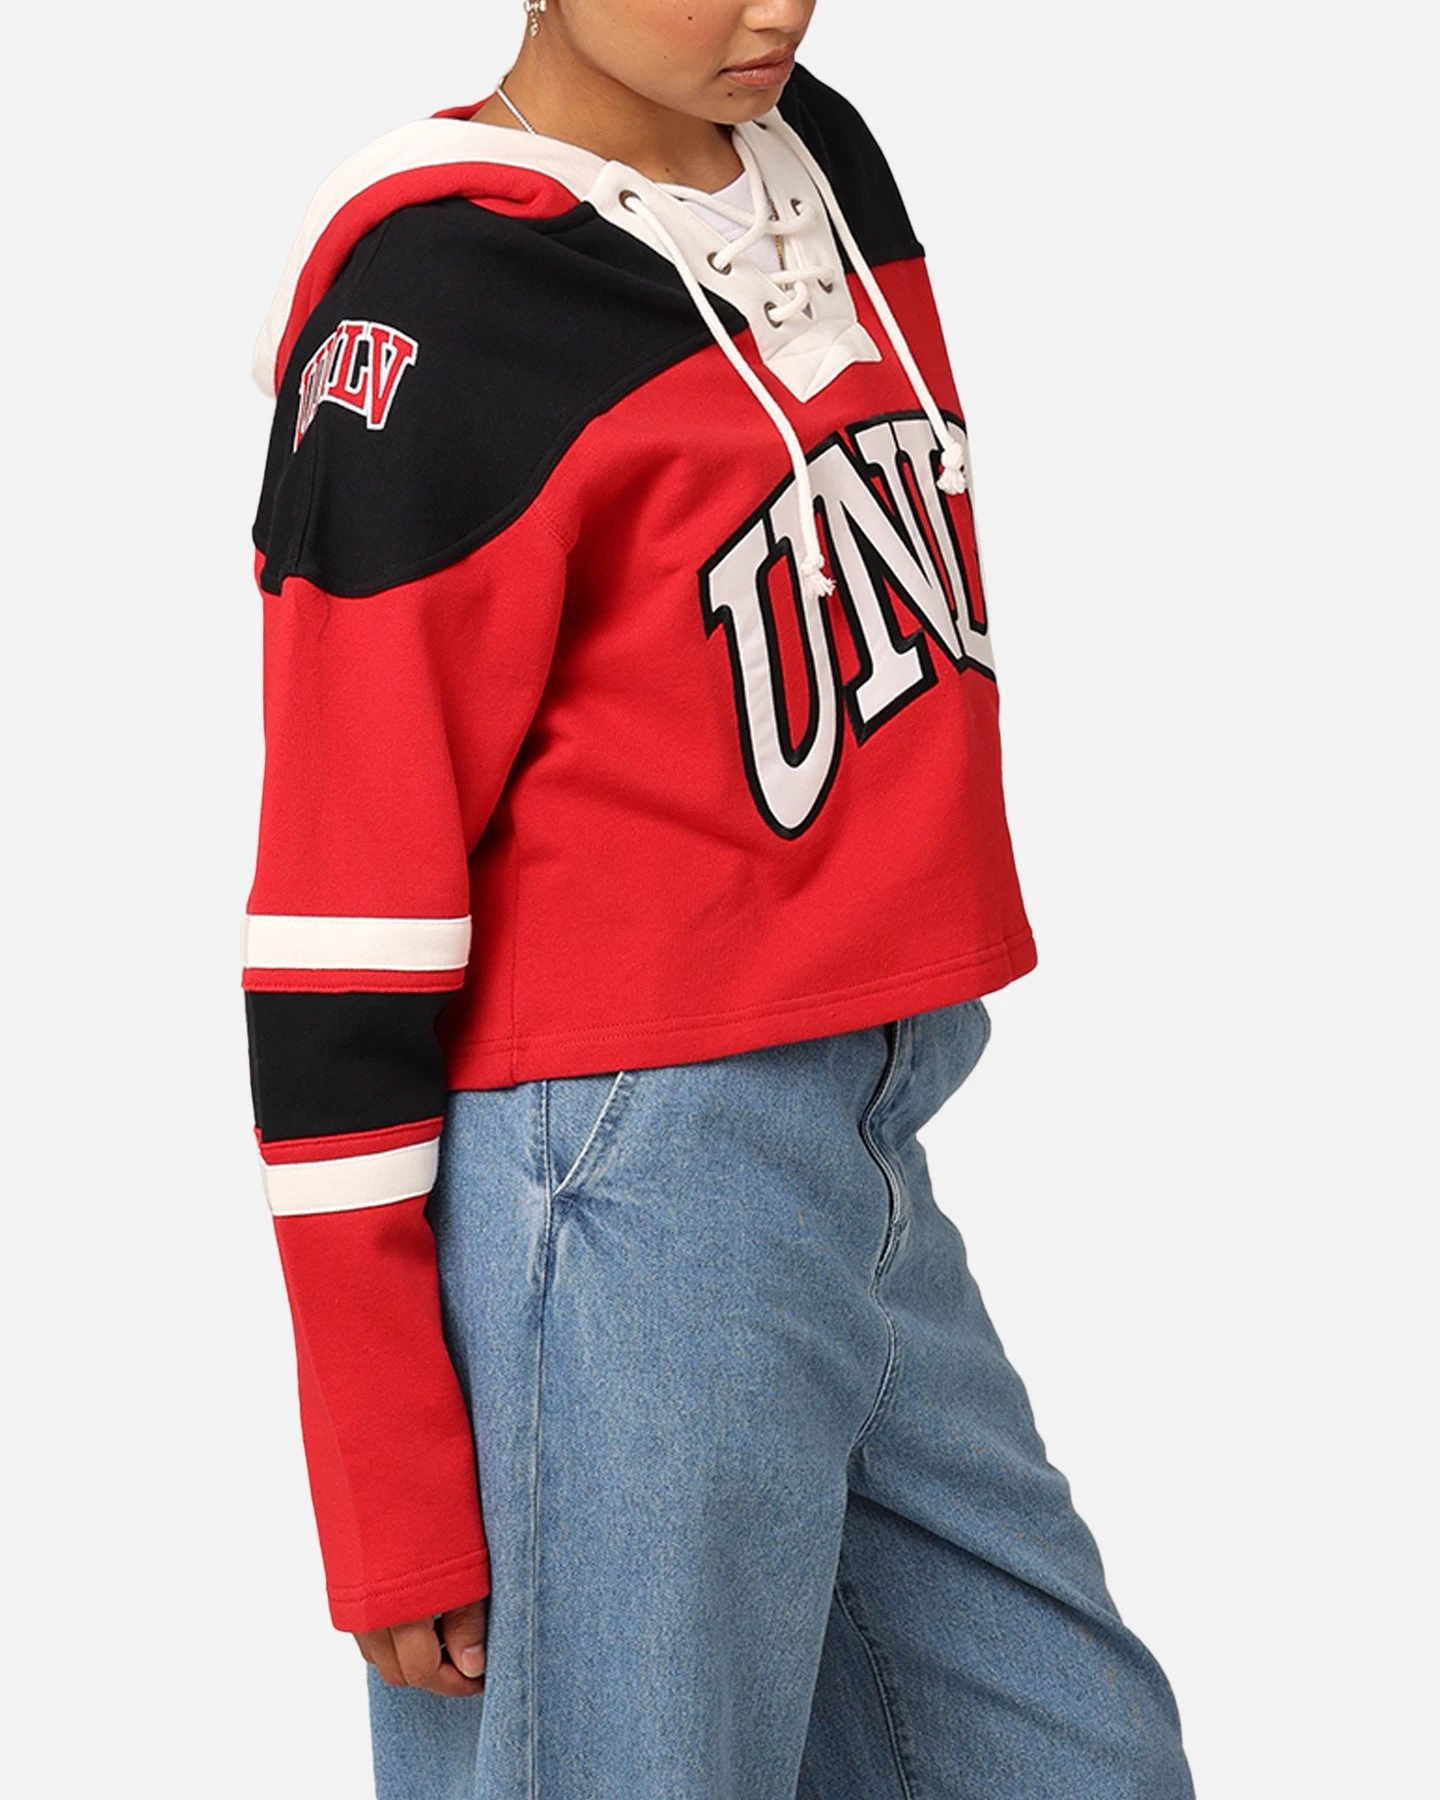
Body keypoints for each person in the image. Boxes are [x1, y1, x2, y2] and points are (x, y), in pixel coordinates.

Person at [241, 1, 1197, 1794]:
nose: (778, 6)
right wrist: (383, 1462)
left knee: (1085, 1756)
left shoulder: (815, 152)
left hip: (867, 1136)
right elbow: (336, 903)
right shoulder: (432, 301)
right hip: (611, 1179)